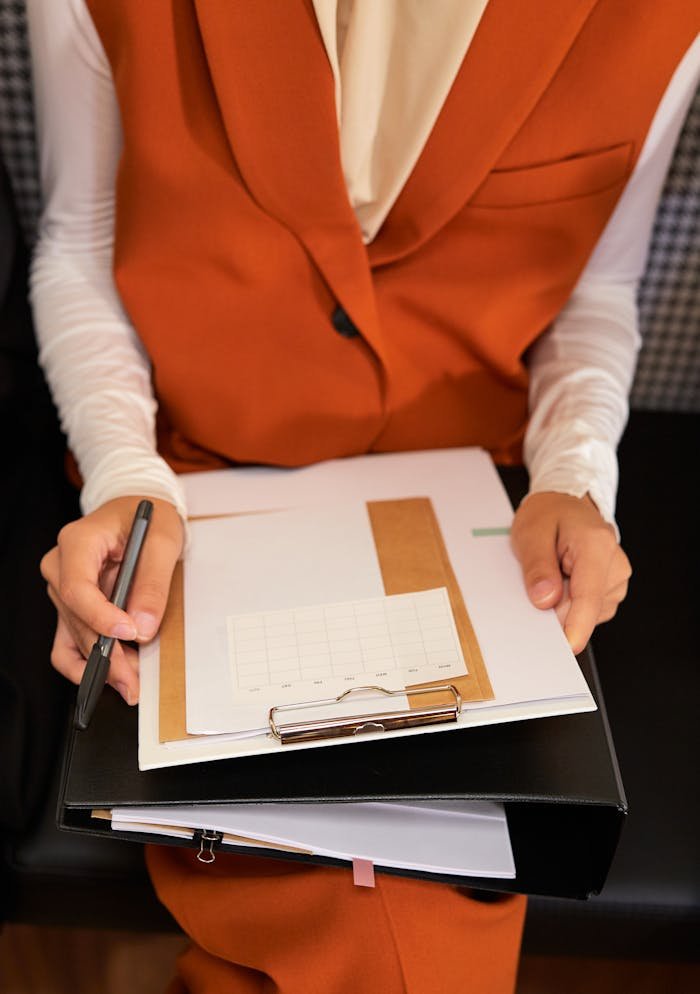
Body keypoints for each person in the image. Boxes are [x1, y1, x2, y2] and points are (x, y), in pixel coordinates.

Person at [26, 1, 700, 991]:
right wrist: (127, 475)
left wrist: (575, 475)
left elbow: (595, 293)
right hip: (204, 488)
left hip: (477, 520)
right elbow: (79, 242)